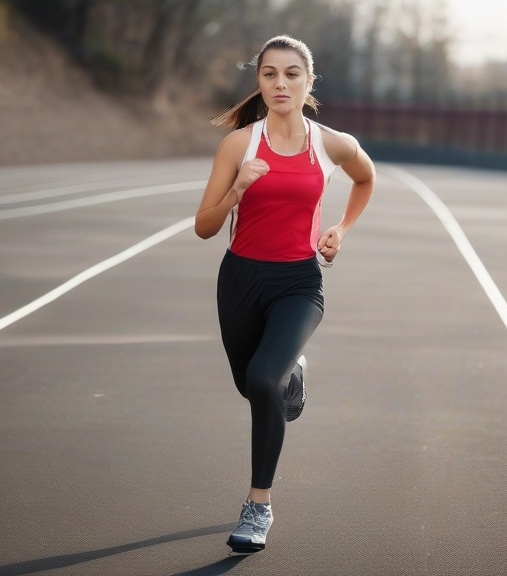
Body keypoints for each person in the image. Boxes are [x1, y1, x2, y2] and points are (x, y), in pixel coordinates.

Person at [194, 35, 376, 554]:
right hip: (241, 281)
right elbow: (204, 227)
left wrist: (340, 228)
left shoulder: (331, 144)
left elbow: (366, 178)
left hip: (299, 282)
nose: (280, 83)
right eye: (270, 74)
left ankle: (259, 505)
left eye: (292, 73)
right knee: (251, 386)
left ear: (309, 81)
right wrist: (238, 190)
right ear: (259, 81)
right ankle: (290, 372)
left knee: (260, 379)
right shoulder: (239, 145)